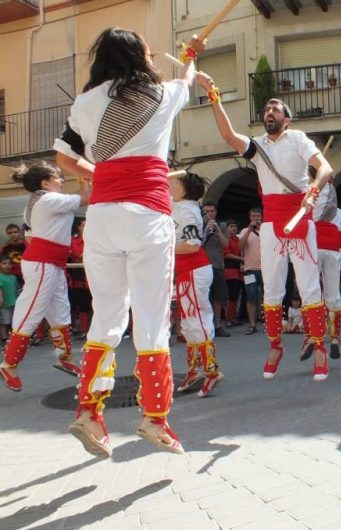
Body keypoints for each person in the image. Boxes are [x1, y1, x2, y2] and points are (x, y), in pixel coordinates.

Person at [54, 28, 205, 456]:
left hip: (101, 216)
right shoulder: (163, 93)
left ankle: (89, 411)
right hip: (148, 214)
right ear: (140, 55)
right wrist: (191, 53)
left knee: (106, 315)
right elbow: (190, 77)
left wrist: (100, 174)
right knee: (152, 317)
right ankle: (155, 418)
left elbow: (63, 158)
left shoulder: (84, 102)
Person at [196, 72, 333, 382]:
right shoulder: (256, 146)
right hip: (271, 222)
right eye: (266, 109)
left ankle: (320, 346)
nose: (269, 112)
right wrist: (213, 95)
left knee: (309, 283)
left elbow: (325, 167)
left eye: (275, 109)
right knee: (271, 286)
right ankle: (275, 346)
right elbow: (230, 137)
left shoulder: (298, 138)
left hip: (298, 217)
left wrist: (313, 189)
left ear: (287, 119)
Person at [0, 163, 90, 391]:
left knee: (59, 309)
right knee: (31, 311)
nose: (61, 181)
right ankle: (8, 364)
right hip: (43, 264)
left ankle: (64, 357)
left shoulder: (37, 203)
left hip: (50, 263)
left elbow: (31, 237)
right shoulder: (49, 200)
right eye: (58, 178)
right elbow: (88, 198)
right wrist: (85, 174)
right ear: (45, 183)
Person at [171, 172, 223, 398]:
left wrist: (162, 248)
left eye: (174, 181)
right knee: (189, 323)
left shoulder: (188, 210)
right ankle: (195, 369)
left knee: (198, 320)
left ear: (185, 188)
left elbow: (192, 244)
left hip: (194, 268)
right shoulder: (179, 207)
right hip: (186, 270)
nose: (169, 184)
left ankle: (212, 371)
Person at [310, 179, 341, 359]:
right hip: (332, 243)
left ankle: (312, 335)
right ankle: (335, 338)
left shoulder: (310, 188)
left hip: (314, 240)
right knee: (333, 293)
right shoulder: (332, 192)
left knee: (312, 291)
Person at [202, 202, 230, 337]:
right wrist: (206, 231)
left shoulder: (223, 226)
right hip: (202, 265)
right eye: (206, 211)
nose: (209, 214)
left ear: (216, 212)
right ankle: (205, 326)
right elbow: (197, 244)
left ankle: (218, 326)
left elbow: (226, 244)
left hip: (217, 265)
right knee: (203, 297)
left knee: (218, 297)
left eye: (211, 211)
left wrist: (217, 230)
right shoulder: (198, 224)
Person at [239, 207, 263, 335]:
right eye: (253, 216)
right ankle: (252, 324)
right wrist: (249, 230)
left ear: (261, 217)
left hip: (266, 269)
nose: (256, 219)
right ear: (250, 218)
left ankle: (270, 322)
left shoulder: (266, 230)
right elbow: (240, 246)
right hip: (250, 270)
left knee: (269, 297)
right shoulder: (244, 231)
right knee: (251, 297)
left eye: (258, 216)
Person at [68, 218, 92, 340]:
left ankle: (89, 330)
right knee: (77, 304)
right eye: (83, 225)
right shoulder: (74, 240)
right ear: (78, 227)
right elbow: (77, 255)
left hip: (93, 274)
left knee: (91, 304)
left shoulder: (95, 240)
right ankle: (80, 330)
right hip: (77, 275)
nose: (85, 226)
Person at [0, 255, 18, 343]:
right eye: (4, 263)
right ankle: (4, 337)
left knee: (13, 320)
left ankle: (11, 336)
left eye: (9, 263)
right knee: (4, 320)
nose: (7, 265)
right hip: (4, 303)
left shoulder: (13, 277)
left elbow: (16, 289)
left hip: (14, 302)